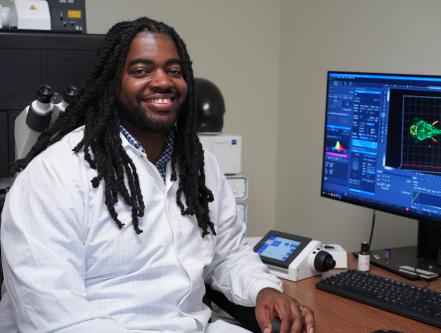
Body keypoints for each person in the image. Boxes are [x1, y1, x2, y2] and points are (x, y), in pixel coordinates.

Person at [0, 17, 314, 333]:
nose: (162, 81)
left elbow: (227, 253)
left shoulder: (198, 165)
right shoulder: (54, 175)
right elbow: (57, 317)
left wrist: (263, 288)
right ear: (113, 83)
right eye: (141, 71)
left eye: (174, 71)